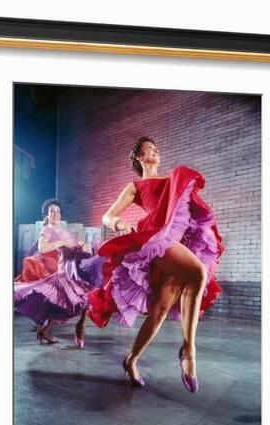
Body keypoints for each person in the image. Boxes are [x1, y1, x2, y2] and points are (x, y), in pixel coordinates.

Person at [87, 137, 225, 391]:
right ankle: (188, 349)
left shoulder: (172, 181)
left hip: (179, 239)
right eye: (149, 148)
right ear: (139, 157)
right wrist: (120, 225)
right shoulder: (135, 186)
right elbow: (108, 215)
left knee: (159, 312)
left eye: (156, 148)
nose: (155, 150)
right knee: (197, 273)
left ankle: (130, 360)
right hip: (157, 240)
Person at [14, 199, 105, 347]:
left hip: (75, 267)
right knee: (70, 300)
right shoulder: (46, 230)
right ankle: (77, 326)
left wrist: (84, 246)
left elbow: (79, 243)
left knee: (83, 293)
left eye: (58, 212)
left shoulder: (64, 231)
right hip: (64, 272)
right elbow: (42, 248)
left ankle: (50, 330)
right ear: (47, 215)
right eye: (52, 211)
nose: (55, 214)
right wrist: (62, 243)